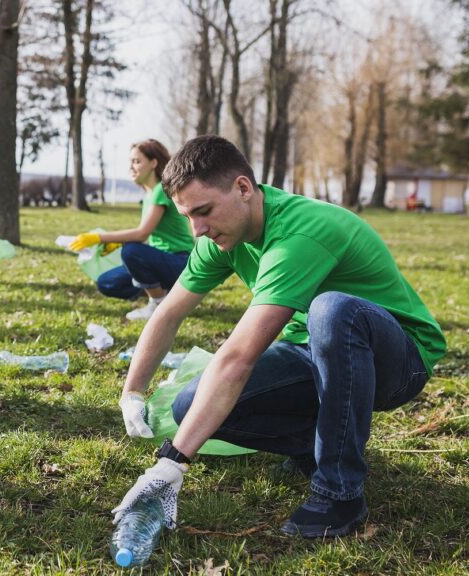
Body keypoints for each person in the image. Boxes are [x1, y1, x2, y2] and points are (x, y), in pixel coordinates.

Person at [111, 135, 445, 537]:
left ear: (243, 188)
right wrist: (133, 391)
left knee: (332, 309)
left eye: (204, 211)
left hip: (396, 362)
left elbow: (239, 357)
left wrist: (172, 461)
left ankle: (341, 492)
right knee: (188, 407)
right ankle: (315, 446)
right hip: (312, 351)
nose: (197, 230)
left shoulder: (301, 231)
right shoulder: (218, 236)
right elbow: (167, 314)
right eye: (187, 216)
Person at [67, 140, 193, 321]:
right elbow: (146, 236)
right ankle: (166, 293)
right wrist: (116, 241)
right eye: (131, 162)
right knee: (107, 282)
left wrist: (99, 237)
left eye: (137, 161)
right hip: (161, 260)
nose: (131, 167)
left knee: (131, 251)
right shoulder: (149, 194)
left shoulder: (160, 190)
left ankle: (157, 303)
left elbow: (142, 233)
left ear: (154, 163)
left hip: (180, 261)